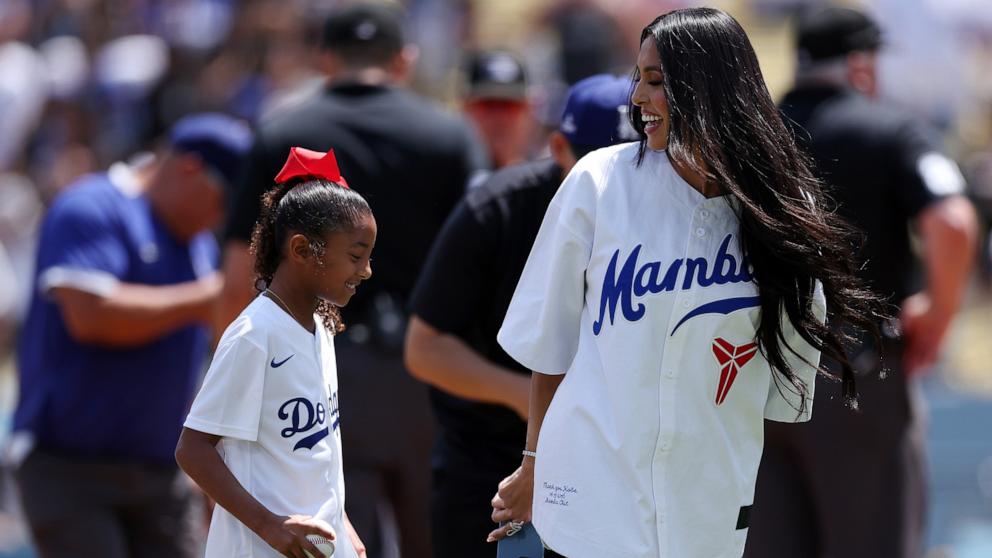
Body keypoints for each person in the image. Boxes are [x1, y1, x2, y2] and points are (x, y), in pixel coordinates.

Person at [487, 8, 885, 557]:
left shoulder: (781, 216)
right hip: (588, 499)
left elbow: (783, 390)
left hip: (708, 512)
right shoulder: (598, 183)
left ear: (708, 89)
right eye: (638, 80)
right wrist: (532, 464)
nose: (638, 100)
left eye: (657, 82)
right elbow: (550, 347)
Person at [217, 4, 485, 556]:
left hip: (321, 367)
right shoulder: (449, 134)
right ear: (403, 60)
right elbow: (476, 267)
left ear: (324, 57)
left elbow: (234, 271)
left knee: (333, 544)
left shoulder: (280, 130)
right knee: (433, 541)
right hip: (429, 375)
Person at [743, 7, 978, 558]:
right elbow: (953, 222)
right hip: (855, 373)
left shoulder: (751, 137)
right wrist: (938, 317)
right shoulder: (890, 129)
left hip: (753, 373)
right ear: (861, 65)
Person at [404, 74, 638, 558]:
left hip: (611, 468)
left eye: (631, 159)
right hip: (490, 463)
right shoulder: (496, 210)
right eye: (594, 159)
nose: (612, 176)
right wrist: (524, 397)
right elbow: (424, 347)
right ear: (557, 147)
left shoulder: (659, 217)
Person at [12, 112, 252, 558]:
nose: (223, 219)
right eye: (224, 201)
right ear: (189, 169)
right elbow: (90, 315)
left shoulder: (195, 243)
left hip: (161, 475)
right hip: (71, 470)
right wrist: (213, 296)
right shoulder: (93, 205)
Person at [176, 147, 372, 558]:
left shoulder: (320, 326)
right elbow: (192, 450)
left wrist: (343, 523)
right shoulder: (254, 335)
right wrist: (269, 525)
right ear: (302, 250)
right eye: (356, 256)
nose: (366, 270)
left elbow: (319, 452)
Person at [462, 50, 533, 173]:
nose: (499, 118)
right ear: (466, 107)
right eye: (488, 104)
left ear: (528, 110)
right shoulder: (447, 184)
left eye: (509, 105)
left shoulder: (546, 186)